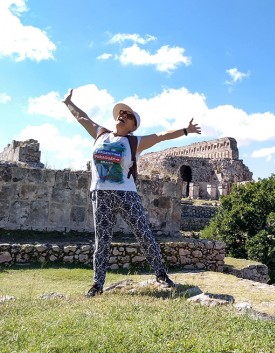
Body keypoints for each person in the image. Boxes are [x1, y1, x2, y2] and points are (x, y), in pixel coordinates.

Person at [62, 89, 201, 297]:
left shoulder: (135, 142)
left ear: (133, 125)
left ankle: (161, 274)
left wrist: (186, 130)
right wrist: (68, 102)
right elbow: (83, 118)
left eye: (127, 115)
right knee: (102, 240)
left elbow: (162, 136)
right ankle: (97, 285)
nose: (121, 115)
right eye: (120, 113)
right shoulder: (101, 134)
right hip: (100, 195)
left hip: (127, 195)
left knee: (144, 234)